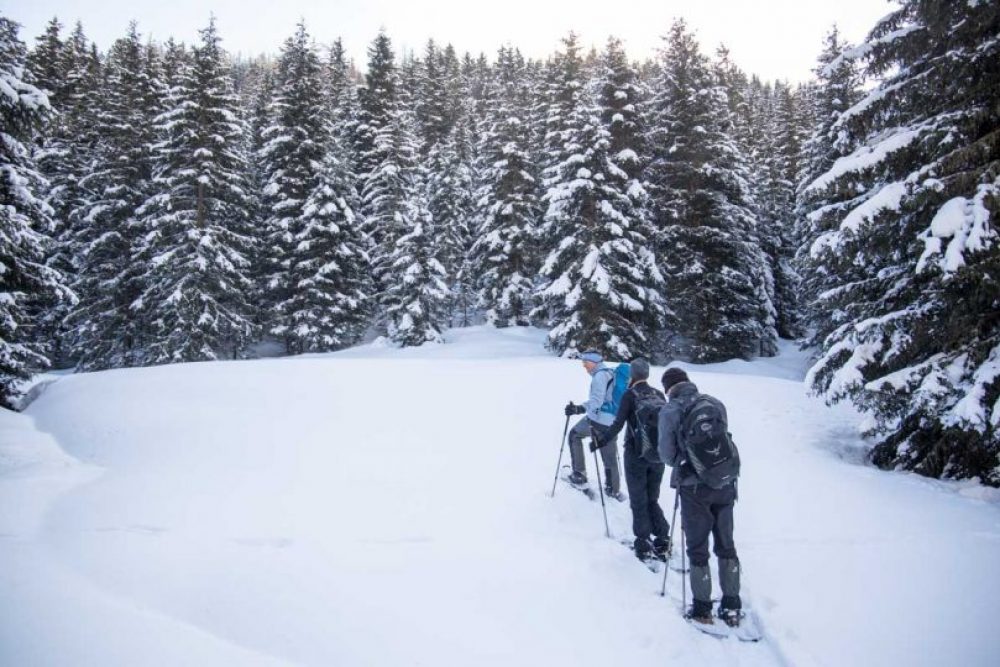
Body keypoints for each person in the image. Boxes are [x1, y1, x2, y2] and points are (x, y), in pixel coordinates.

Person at [657, 367, 742, 627]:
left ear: (668, 388)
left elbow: (667, 456)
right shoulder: (714, 403)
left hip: (694, 486)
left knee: (697, 546)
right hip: (725, 482)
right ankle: (732, 605)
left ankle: (703, 608)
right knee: (726, 542)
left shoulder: (671, 410)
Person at [593, 358, 670, 561]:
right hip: (658, 457)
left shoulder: (630, 395)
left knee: (638, 499)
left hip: (635, 454)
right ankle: (662, 538)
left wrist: (601, 441)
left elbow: (618, 424)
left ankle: (643, 542)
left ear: (632, 375)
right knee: (652, 498)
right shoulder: (659, 394)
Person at [563, 350, 624, 501]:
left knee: (574, 435)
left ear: (594, 362)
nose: (584, 365)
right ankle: (613, 490)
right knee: (609, 455)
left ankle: (579, 475)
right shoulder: (610, 373)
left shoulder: (599, 376)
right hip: (612, 422)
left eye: (586, 362)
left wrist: (578, 408)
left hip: (598, 420)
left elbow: (596, 401)